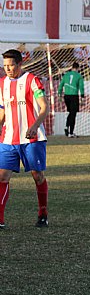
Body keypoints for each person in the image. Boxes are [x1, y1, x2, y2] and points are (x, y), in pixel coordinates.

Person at [0, 49, 50, 229]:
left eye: (11, 65)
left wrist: (35, 125)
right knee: (2, 177)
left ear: (20, 64)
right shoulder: (2, 84)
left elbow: (44, 107)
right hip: (8, 138)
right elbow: (3, 110)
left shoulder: (31, 81)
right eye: (5, 66)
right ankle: (0, 219)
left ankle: (43, 212)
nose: (8, 69)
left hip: (32, 139)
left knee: (37, 176)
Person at [58, 62, 85, 138]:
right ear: (78, 68)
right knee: (73, 114)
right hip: (74, 96)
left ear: (72, 67)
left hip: (66, 96)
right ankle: (71, 133)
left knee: (70, 113)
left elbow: (61, 85)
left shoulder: (66, 75)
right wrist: (82, 97)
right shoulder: (79, 76)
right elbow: (81, 87)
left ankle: (67, 127)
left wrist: (59, 94)